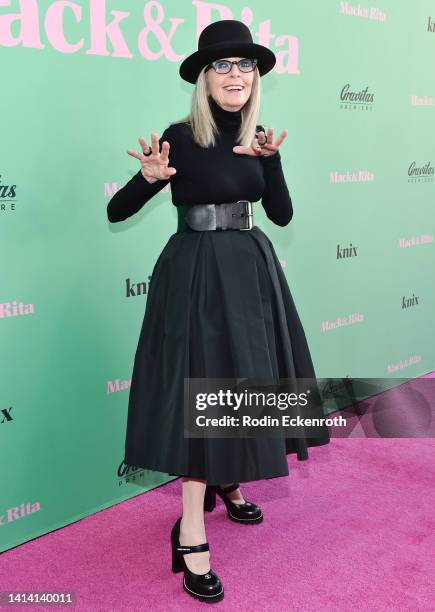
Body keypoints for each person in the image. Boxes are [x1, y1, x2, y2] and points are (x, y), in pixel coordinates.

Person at [107, 19, 330, 604]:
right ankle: (192, 530)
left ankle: (228, 482)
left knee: (243, 383)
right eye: (223, 65)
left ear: (255, 79)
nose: (236, 75)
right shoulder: (179, 137)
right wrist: (145, 177)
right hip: (197, 272)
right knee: (201, 388)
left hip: (251, 267)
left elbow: (280, 215)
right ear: (204, 78)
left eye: (245, 66)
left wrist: (273, 161)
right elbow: (116, 209)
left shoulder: (259, 141)